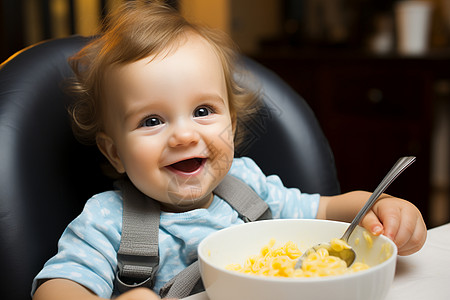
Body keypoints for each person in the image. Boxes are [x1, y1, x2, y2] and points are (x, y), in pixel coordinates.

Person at [32, 1, 427, 300]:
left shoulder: (247, 184)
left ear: (233, 127)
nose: (185, 137)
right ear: (114, 152)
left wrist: (381, 208)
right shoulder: (108, 220)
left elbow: (326, 211)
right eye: (152, 121)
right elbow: (55, 287)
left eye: (203, 111)